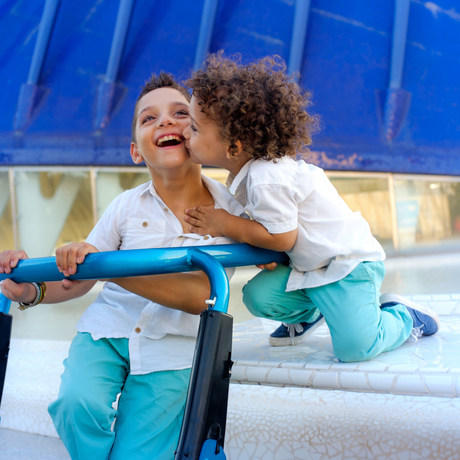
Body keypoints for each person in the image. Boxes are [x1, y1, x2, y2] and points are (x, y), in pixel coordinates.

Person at [0, 72, 245, 460]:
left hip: (174, 353)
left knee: (138, 455)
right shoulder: (125, 207)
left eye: (180, 113)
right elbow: (77, 278)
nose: (165, 121)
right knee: (75, 405)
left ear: (200, 137)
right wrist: (31, 290)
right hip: (107, 333)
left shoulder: (230, 210)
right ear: (135, 152)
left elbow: (201, 295)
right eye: (149, 118)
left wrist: (107, 267)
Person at [182, 53, 440, 362]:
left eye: (195, 129)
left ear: (233, 147)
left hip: (347, 266)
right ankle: (309, 314)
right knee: (257, 297)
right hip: (311, 268)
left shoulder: (266, 178)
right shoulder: (251, 174)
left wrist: (223, 224)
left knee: (355, 348)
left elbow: (281, 239)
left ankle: (404, 317)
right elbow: (273, 231)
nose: (186, 133)